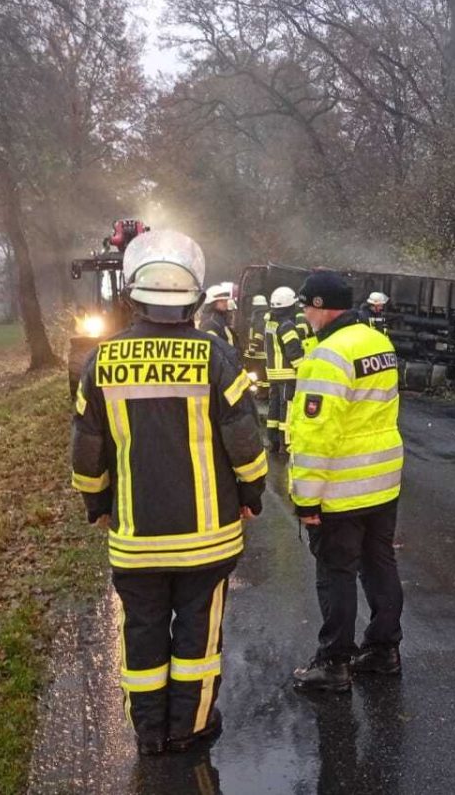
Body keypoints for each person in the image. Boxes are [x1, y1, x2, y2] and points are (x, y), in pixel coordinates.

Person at [70, 229, 266, 755]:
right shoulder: (216, 358)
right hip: (207, 539)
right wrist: (254, 492)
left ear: (134, 295)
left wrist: (98, 503)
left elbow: (87, 452)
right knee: (198, 641)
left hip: (136, 540)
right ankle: (190, 727)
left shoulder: (103, 362)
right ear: (194, 299)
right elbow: (245, 442)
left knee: (143, 635)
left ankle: (149, 733)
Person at [288, 270, 405, 692]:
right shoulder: (378, 342)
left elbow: (317, 434)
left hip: (341, 489)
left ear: (320, 306)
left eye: (306, 306)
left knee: (336, 572)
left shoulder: (327, 355)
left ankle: (334, 663)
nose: (303, 314)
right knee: (380, 565)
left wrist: (306, 498)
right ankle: (383, 650)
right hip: (383, 481)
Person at [264, 286, 305, 452]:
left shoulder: (270, 323)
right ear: (289, 306)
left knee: (273, 409)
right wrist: (303, 370)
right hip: (288, 374)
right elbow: (293, 351)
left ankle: (272, 441)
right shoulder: (287, 325)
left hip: (273, 373)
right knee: (287, 409)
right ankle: (286, 444)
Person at [199, 283, 237, 352]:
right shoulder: (210, 322)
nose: (225, 303)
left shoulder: (220, 319)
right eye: (221, 301)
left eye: (226, 300)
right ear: (212, 302)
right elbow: (212, 350)